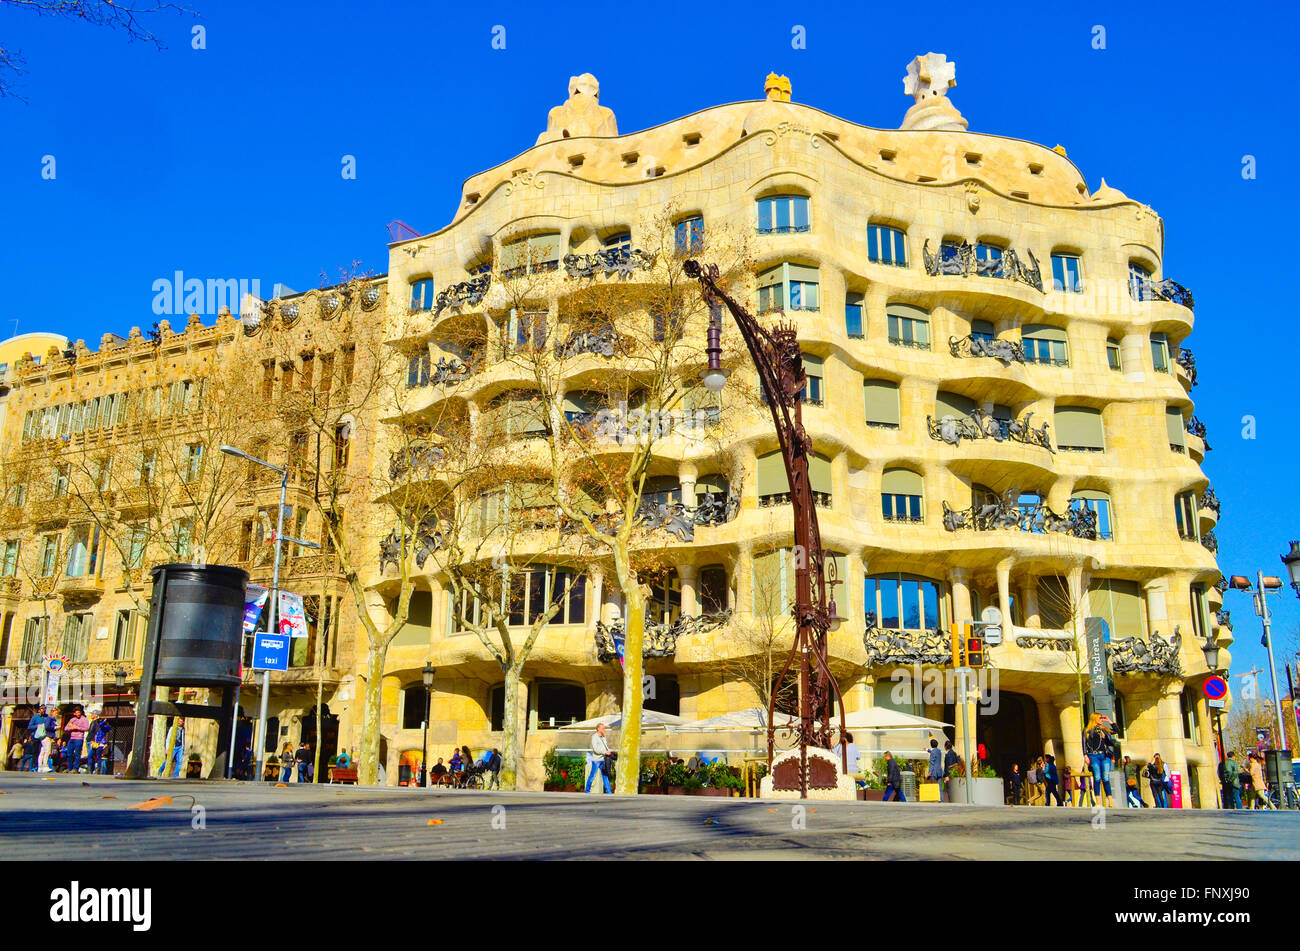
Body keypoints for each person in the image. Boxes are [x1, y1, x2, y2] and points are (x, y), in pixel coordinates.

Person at [1083, 713, 1117, 807]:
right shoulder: (1087, 730)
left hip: (1105, 755)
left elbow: (1116, 731)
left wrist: (1109, 721)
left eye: (1102, 718)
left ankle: (1110, 801)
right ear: (1094, 719)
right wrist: (1085, 755)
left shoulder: (1103, 729)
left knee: (1106, 778)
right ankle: (1098, 802)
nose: (1102, 720)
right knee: (1097, 778)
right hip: (1094, 756)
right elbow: (1084, 743)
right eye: (1100, 718)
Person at [586, 722, 613, 794]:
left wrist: (608, 752)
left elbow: (605, 746)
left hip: (603, 759)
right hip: (596, 760)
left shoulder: (603, 737)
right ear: (598, 729)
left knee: (605, 775)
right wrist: (605, 752)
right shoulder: (594, 737)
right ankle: (587, 791)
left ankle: (609, 792)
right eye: (603, 728)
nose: (604, 729)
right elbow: (595, 749)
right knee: (592, 776)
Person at [927, 738, 946, 802]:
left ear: (931, 745)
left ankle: (934, 799)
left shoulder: (933, 752)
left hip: (934, 772)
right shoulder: (939, 751)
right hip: (939, 771)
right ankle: (942, 800)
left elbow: (932, 763)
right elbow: (934, 753)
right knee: (940, 787)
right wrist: (927, 750)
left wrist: (929, 772)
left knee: (933, 786)